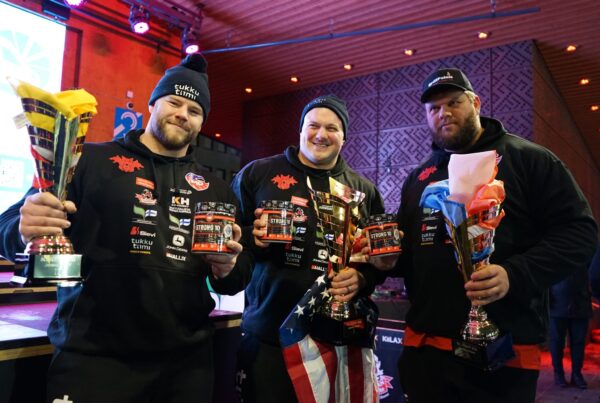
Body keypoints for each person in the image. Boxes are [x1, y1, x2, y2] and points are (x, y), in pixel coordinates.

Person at [0, 54, 253, 403]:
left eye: (195, 111)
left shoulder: (216, 189)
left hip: (185, 366)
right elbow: (7, 226)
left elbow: (238, 276)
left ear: (201, 123)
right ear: (152, 104)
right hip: (94, 358)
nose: (183, 114)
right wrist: (25, 226)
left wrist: (229, 268)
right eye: (174, 102)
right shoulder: (86, 160)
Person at [367, 68, 598, 402]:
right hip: (427, 353)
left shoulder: (528, 159)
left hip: (502, 355)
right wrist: (388, 261)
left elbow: (580, 233)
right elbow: (410, 256)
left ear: (475, 102)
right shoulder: (419, 177)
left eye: (453, 102)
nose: (443, 113)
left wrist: (514, 274)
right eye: (434, 108)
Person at [230, 94, 386, 402]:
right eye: (313, 125)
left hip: (337, 340)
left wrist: (363, 279)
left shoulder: (363, 191)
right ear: (301, 130)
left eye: (332, 127)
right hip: (269, 336)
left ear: (344, 137)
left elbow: (377, 258)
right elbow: (229, 238)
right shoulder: (258, 174)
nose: (321, 134)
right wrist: (252, 236)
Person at [549, 267, 592, 389]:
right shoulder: (554, 251)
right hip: (557, 301)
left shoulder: (585, 250)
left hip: (580, 302)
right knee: (557, 341)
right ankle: (558, 373)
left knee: (578, 342)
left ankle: (576, 374)